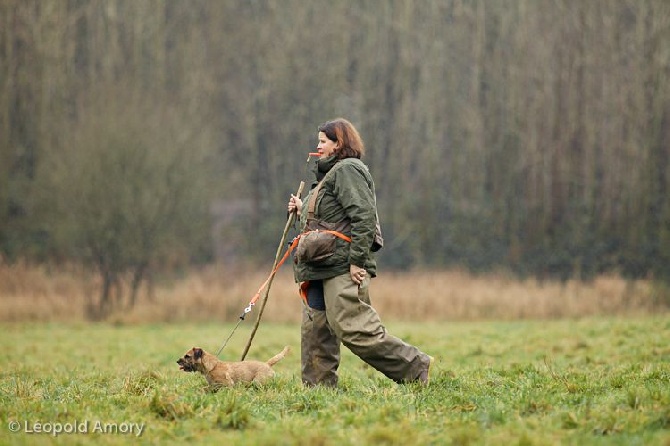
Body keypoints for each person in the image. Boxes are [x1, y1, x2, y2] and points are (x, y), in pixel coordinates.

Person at [287, 118, 433, 387]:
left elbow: (364, 216)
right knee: (316, 332)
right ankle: (318, 390)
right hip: (317, 267)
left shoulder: (348, 169)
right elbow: (323, 222)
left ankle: (414, 368)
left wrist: (357, 261)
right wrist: (301, 209)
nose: (317, 146)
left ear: (339, 143)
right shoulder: (325, 179)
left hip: (342, 266)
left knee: (353, 328)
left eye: (323, 141)